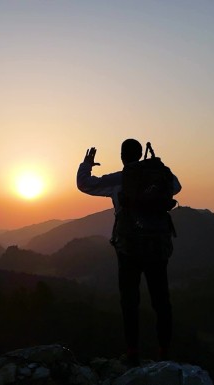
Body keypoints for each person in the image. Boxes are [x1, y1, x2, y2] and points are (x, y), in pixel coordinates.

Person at [76, 139, 181, 365]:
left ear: (123, 156)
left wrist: (87, 163)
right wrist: (155, 173)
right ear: (141, 153)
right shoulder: (160, 175)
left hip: (129, 248)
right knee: (161, 301)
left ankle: (133, 353)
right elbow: (176, 186)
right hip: (157, 246)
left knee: (129, 301)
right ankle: (164, 353)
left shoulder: (119, 179)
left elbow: (84, 185)